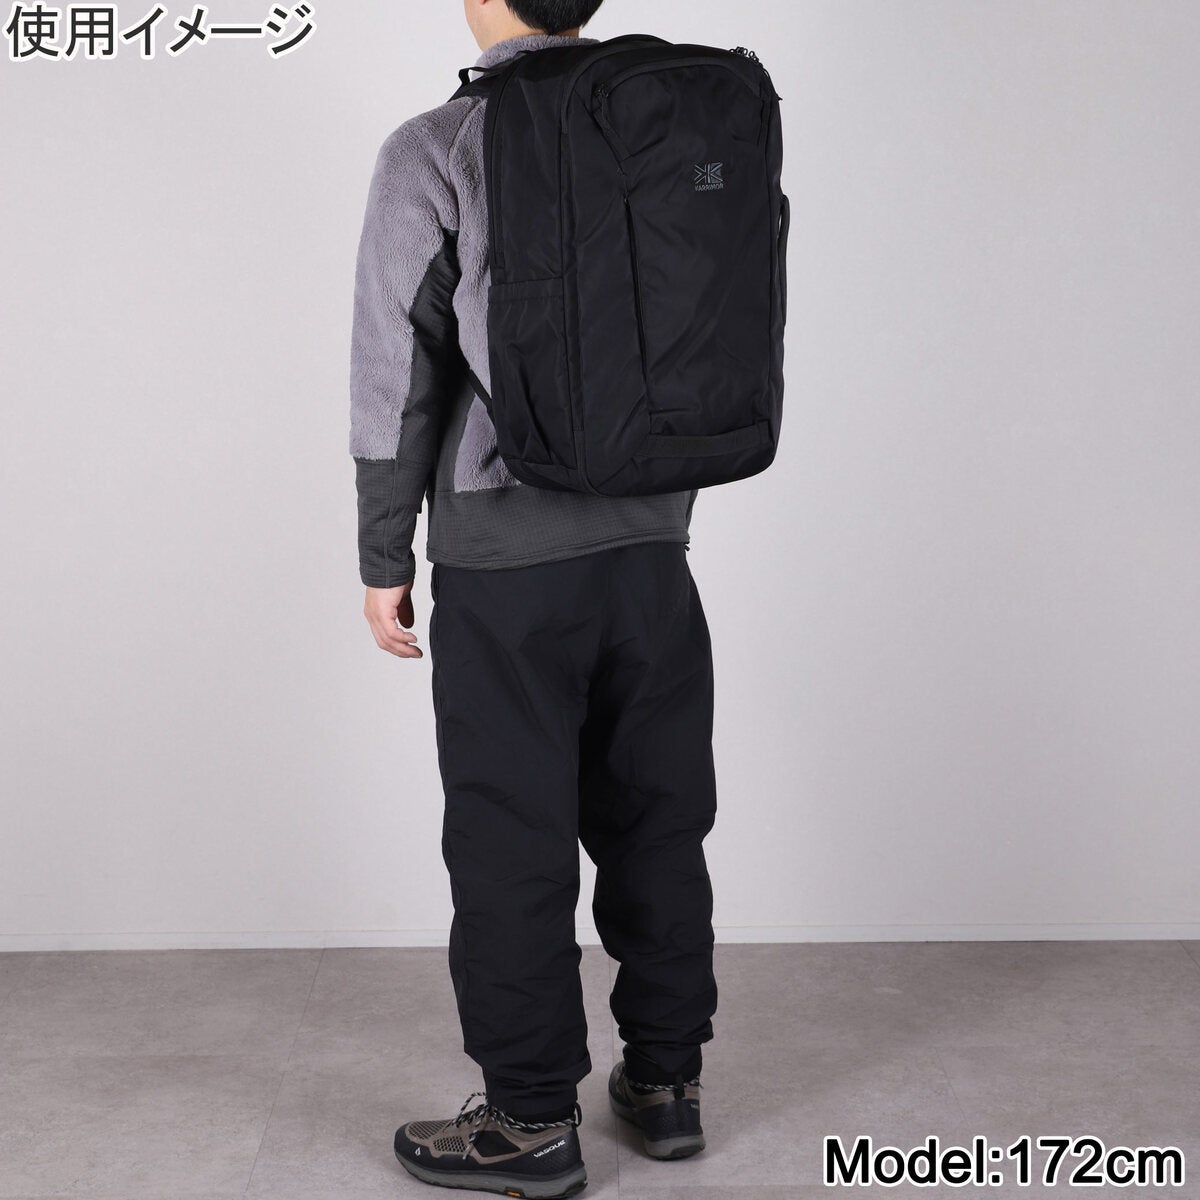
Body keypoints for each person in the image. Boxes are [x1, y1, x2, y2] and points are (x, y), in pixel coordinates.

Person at [349, 1, 717, 1194]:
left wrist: (384, 554)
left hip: (507, 566)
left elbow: (396, 368)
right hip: (654, 548)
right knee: (659, 818)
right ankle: (666, 1082)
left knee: (511, 838)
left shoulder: (438, 146)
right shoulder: (680, 123)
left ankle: (528, 1121)